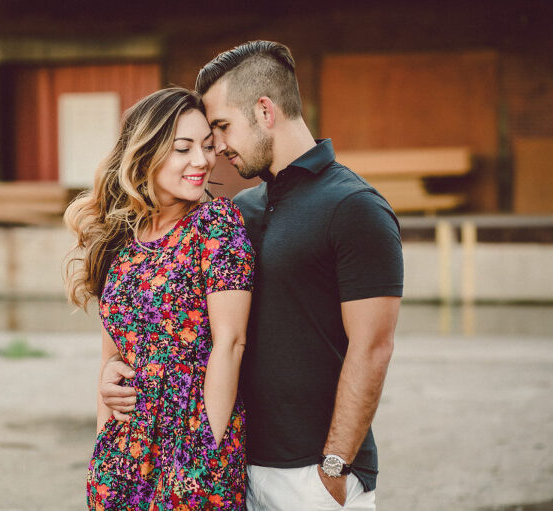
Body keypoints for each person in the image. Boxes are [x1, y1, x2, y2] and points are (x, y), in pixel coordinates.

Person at [101, 41, 404, 510]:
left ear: (265, 111)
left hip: (310, 474)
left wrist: (334, 468)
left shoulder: (354, 208)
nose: (216, 149)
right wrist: (117, 378)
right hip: (235, 464)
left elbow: (373, 347)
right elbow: (174, 318)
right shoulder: (241, 210)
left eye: (220, 128)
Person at [64, 87, 255, 510]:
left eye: (208, 147)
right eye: (183, 148)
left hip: (194, 446)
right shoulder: (121, 241)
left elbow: (231, 343)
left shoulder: (216, 225)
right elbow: (111, 361)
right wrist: (102, 450)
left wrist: (209, 453)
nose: (203, 161)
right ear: (146, 153)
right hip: (124, 451)